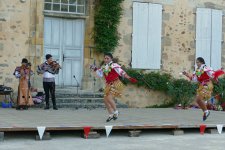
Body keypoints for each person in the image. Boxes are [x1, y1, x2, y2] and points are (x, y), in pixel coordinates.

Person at [90, 53, 137, 122]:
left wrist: (129, 78)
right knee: (105, 100)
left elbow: (122, 72)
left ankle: (116, 112)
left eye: (107, 58)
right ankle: (111, 114)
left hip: (116, 83)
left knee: (109, 98)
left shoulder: (114, 65)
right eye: (105, 58)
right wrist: (95, 68)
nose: (106, 60)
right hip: (108, 84)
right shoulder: (104, 66)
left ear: (111, 59)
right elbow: (100, 74)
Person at [182, 57, 224, 121]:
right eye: (196, 62)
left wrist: (216, 78)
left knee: (199, 98)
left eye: (198, 62)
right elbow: (194, 79)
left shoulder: (206, 68)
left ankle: (206, 111)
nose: (197, 64)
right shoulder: (197, 70)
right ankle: (206, 111)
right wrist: (186, 74)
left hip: (207, 85)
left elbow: (212, 74)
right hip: (201, 86)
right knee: (198, 100)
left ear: (202, 62)